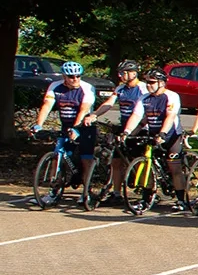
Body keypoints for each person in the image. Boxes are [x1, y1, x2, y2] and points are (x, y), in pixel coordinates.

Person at [120, 69, 185, 213]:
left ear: (161, 83)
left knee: (174, 168)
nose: (148, 85)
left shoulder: (171, 96)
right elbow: (137, 117)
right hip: (153, 135)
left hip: (171, 135)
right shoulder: (144, 98)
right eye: (147, 82)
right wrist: (127, 132)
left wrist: (162, 133)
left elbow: (170, 117)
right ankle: (146, 198)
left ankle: (181, 200)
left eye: (151, 82)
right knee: (147, 165)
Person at [31, 61, 98, 199]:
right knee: (58, 156)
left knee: (86, 159)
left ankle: (87, 192)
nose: (75, 79)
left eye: (78, 76)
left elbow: (84, 110)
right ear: (64, 76)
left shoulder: (87, 88)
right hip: (66, 126)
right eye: (71, 76)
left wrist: (76, 128)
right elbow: (47, 105)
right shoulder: (55, 86)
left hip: (84, 126)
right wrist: (38, 125)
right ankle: (54, 191)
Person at [97, 61, 147, 191]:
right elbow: (109, 103)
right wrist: (94, 114)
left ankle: (145, 190)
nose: (121, 76)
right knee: (116, 161)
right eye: (120, 73)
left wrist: (138, 127)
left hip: (140, 128)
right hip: (124, 126)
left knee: (138, 160)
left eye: (123, 73)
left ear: (134, 73)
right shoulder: (120, 89)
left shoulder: (143, 88)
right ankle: (116, 193)